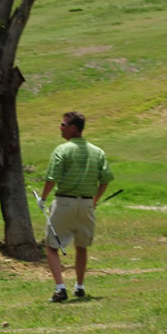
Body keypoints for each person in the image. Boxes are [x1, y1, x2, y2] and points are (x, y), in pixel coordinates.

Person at [37, 112, 113, 302]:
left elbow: (51, 178)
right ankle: (79, 286)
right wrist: (95, 199)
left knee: (51, 246)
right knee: (82, 246)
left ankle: (60, 288)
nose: (60, 127)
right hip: (87, 204)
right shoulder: (98, 152)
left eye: (62, 124)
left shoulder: (62, 150)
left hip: (64, 202)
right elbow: (105, 179)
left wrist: (43, 198)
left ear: (72, 128)